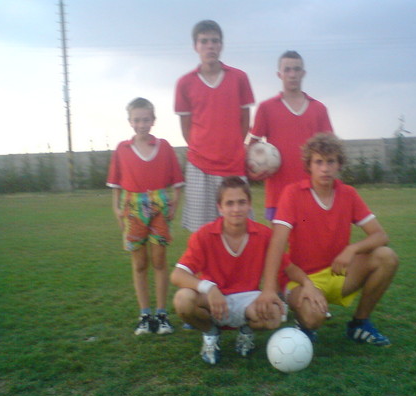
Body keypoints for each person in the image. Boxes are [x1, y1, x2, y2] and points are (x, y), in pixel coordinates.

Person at [256, 133, 399, 346]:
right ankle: (305, 321)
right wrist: (269, 289)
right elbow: (276, 244)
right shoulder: (292, 193)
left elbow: (381, 236)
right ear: (309, 165)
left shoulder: (348, 193)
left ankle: (360, 323)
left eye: (330, 161)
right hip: (301, 279)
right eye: (319, 162)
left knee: (386, 257)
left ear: (339, 164)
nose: (325, 168)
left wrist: (352, 249)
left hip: (337, 273)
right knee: (314, 318)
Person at [171, 176, 294, 365]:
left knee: (274, 315)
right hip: (214, 299)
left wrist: (306, 284)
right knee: (183, 300)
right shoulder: (204, 235)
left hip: (247, 299)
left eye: (241, 202)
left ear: (249, 205)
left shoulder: (263, 234)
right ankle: (210, 333)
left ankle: (247, 331)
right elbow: (177, 274)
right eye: (229, 203)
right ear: (220, 207)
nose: (236, 209)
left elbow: (286, 266)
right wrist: (209, 288)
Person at [107, 97, 184, 335]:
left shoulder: (164, 146)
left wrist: (174, 202)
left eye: (146, 119)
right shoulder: (122, 149)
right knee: (139, 263)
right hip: (132, 206)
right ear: (130, 121)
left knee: (159, 260)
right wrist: (117, 208)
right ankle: (144, 315)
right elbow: (115, 184)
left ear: (153, 120)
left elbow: (177, 181)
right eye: (137, 120)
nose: (142, 124)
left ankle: (161, 315)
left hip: (159, 203)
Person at [174, 20, 255, 232]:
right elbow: (185, 127)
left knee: (238, 227)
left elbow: (245, 120)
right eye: (204, 41)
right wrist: (204, 149)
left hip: (233, 165)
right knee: (202, 232)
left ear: (221, 45)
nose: (210, 46)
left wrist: (231, 147)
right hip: (199, 166)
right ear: (195, 46)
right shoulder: (185, 82)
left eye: (215, 41)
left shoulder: (239, 78)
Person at [249, 50, 333, 220]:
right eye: (287, 70)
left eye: (296, 69)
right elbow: (252, 147)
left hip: (314, 192)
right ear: (279, 74)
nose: (292, 74)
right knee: (281, 238)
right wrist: (253, 171)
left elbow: (331, 152)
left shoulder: (319, 109)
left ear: (303, 73)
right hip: (278, 195)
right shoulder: (266, 108)